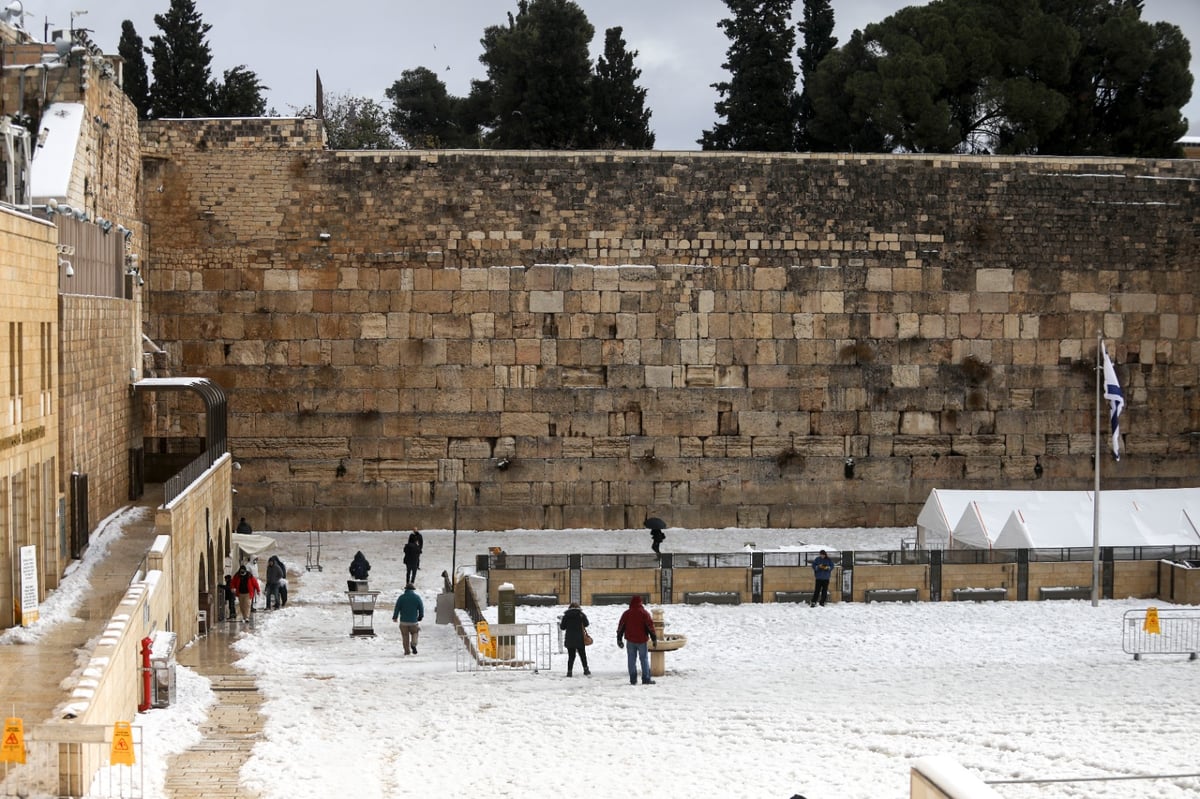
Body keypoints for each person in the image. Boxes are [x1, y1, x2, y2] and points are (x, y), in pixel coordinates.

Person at [616, 595, 657, 685]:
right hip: (642, 640)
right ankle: (646, 679)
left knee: (631, 659)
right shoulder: (644, 613)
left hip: (630, 640)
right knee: (644, 659)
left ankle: (633, 679)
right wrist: (654, 638)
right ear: (640, 602)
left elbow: (621, 627)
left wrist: (619, 639)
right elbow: (650, 627)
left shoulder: (626, 613)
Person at [559, 602, 591, 677]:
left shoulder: (566, 616)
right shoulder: (581, 615)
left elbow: (562, 627)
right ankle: (586, 670)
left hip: (570, 638)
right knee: (583, 655)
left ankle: (569, 672)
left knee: (571, 656)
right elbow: (586, 624)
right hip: (579, 638)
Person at [392, 584, 424, 655]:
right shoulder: (417, 597)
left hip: (403, 622)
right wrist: (420, 616)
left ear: (405, 589)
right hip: (413, 622)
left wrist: (395, 617)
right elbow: (421, 608)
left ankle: (407, 651)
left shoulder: (401, 598)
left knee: (405, 637)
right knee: (415, 633)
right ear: (413, 590)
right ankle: (413, 644)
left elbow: (397, 608)